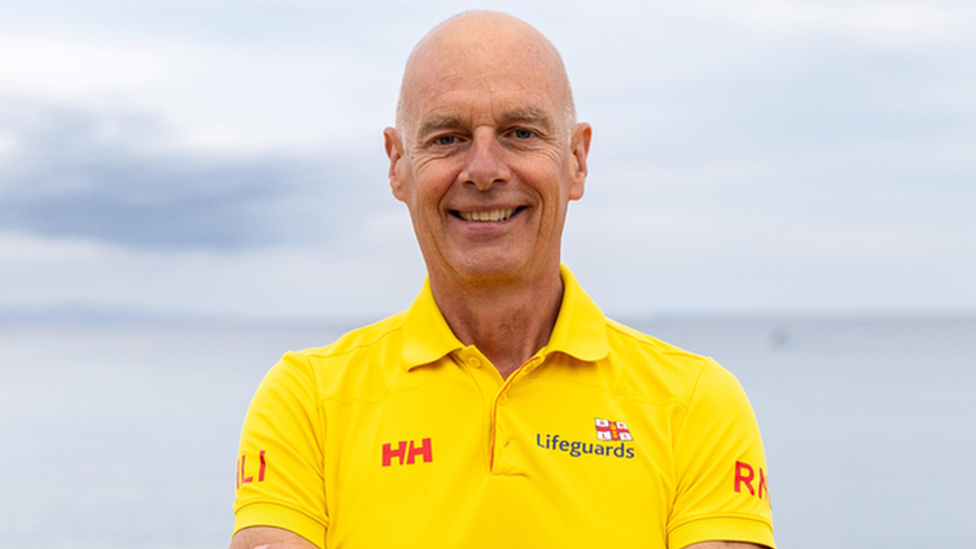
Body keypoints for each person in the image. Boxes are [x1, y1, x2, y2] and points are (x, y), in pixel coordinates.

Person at [229, 11, 775, 549]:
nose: (484, 169)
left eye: (520, 132)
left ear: (577, 160)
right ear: (398, 164)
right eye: (447, 138)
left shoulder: (696, 405)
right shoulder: (308, 402)